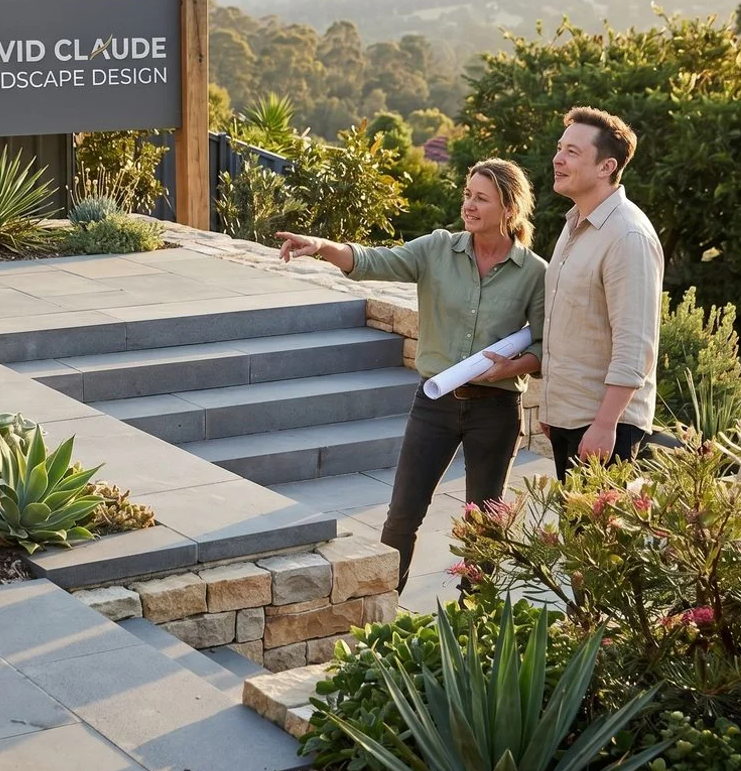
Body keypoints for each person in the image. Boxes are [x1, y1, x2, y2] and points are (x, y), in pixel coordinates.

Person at [276, 159, 547, 592]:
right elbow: (373, 260)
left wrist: (515, 366)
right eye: (467, 194)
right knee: (402, 514)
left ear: (509, 209)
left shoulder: (535, 273)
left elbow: (543, 343)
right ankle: (385, 613)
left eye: (481, 198)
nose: (469, 205)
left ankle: (473, 618)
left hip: (496, 410)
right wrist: (322, 246)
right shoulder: (437, 248)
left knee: (484, 522)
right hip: (434, 404)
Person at [539, 106, 663, 481]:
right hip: (570, 419)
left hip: (605, 429)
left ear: (606, 167)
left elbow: (635, 345)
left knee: (598, 540)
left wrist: (605, 424)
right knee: (576, 538)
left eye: (572, 152)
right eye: (560, 148)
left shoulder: (627, 236)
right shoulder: (576, 224)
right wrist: (552, 410)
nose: (557, 159)